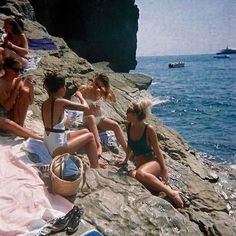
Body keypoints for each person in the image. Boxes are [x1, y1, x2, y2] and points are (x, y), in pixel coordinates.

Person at [116, 99, 184, 208]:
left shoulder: (148, 129)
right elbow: (130, 145)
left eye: (127, 113)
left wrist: (164, 169)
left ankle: (172, 193)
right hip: (141, 166)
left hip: (153, 163)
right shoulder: (129, 126)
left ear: (134, 115)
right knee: (132, 175)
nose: (125, 115)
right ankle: (165, 188)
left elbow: (157, 150)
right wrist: (125, 160)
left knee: (139, 174)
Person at [42, 72, 107, 168]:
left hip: (48, 142)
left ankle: (94, 158)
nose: (65, 88)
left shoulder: (45, 103)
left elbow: (58, 122)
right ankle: (95, 165)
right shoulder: (60, 102)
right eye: (64, 86)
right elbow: (85, 107)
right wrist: (80, 96)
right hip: (56, 149)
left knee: (85, 131)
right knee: (90, 136)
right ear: (60, 89)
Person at [74, 73, 127, 154]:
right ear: (94, 81)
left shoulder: (101, 92)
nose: (97, 87)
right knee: (91, 126)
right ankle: (98, 148)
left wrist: (107, 90)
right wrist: (82, 100)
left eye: (99, 86)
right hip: (87, 120)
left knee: (115, 125)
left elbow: (113, 100)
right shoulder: (85, 88)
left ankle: (127, 150)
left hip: (99, 119)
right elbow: (77, 94)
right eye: (96, 84)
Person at [0, 57, 33, 127]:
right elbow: (7, 107)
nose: (18, 73)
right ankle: (18, 127)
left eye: (21, 70)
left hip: (11, 114)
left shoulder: (16, 80)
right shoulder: (1, 84)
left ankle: (20, 125)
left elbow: (30, 101)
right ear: (7, 68)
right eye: (16, 70)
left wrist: (31, 87)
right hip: (2, 116)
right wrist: (16, 88)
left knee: (25, 91)